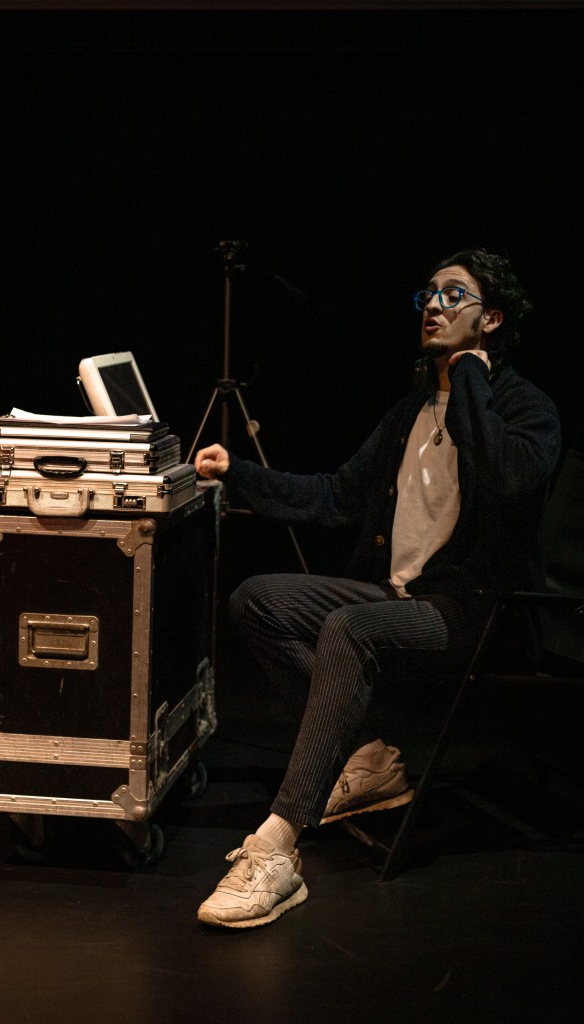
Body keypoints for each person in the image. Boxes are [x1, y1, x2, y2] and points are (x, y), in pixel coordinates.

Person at [193, 247, 562, 930]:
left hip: (478, 615)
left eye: (453, 295)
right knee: (258, 600)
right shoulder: (409, 412)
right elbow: (335, 496)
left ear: (490, 319)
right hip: (401, 600)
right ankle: (366, 756)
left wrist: (471, 375)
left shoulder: (527, 410)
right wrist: (237, 472)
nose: (432, 305)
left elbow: (508, 480)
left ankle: (277, 846)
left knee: (348, 628)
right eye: (428, 293)